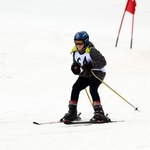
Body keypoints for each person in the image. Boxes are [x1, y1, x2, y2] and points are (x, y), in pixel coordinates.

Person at [61, 31, 110, 122]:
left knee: (93, 88)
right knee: (75, 87)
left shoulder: (92, 51)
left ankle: (99, 112)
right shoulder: (75, 52)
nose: (78, 45)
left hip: (97, 73)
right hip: (86, 73)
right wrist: (75, 68)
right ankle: (72, 112)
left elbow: (103, 62)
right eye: (76, 42)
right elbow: (76, 63)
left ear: (86, 41)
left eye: (80, 43)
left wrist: (91, 65)